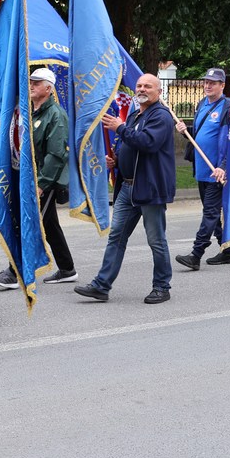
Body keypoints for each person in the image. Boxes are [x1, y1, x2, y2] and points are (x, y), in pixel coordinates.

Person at [74, 73, 176, 304]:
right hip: (128, 188)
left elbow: (148, 143)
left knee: (156, 240)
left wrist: (120, 128)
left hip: (150, 188)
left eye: (148, 86)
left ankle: (162, 286)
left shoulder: (161, 116)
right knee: (116, 237)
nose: (141, 89)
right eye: (139, 85)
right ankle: (101, 285)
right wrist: (118, 160)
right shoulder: (134, 115)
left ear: (159, 92)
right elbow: (131, 144)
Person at [0, 67, 77, 290]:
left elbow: (56, 155)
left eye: (36, 83)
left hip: (44, 181)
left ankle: (14, 271)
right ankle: (67, 269)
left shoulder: (55, 115)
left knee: (27, 222)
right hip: (28, 178)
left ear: (48, 88)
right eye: (30, 82)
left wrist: (41, 185)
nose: (31, 85)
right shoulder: (30, 112)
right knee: (48, 223)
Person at [174, 67, 230, 270]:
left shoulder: (228, 107)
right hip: (201, 169)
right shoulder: (202, 104)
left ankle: (196, 254)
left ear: (222, 85)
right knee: (213, 212)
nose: (208, 85)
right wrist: (185, 131)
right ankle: (227, 251)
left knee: (210, 212)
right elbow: (198, 134)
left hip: (216, 171)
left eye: (213, 83)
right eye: (206, 82)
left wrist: (222, 166)